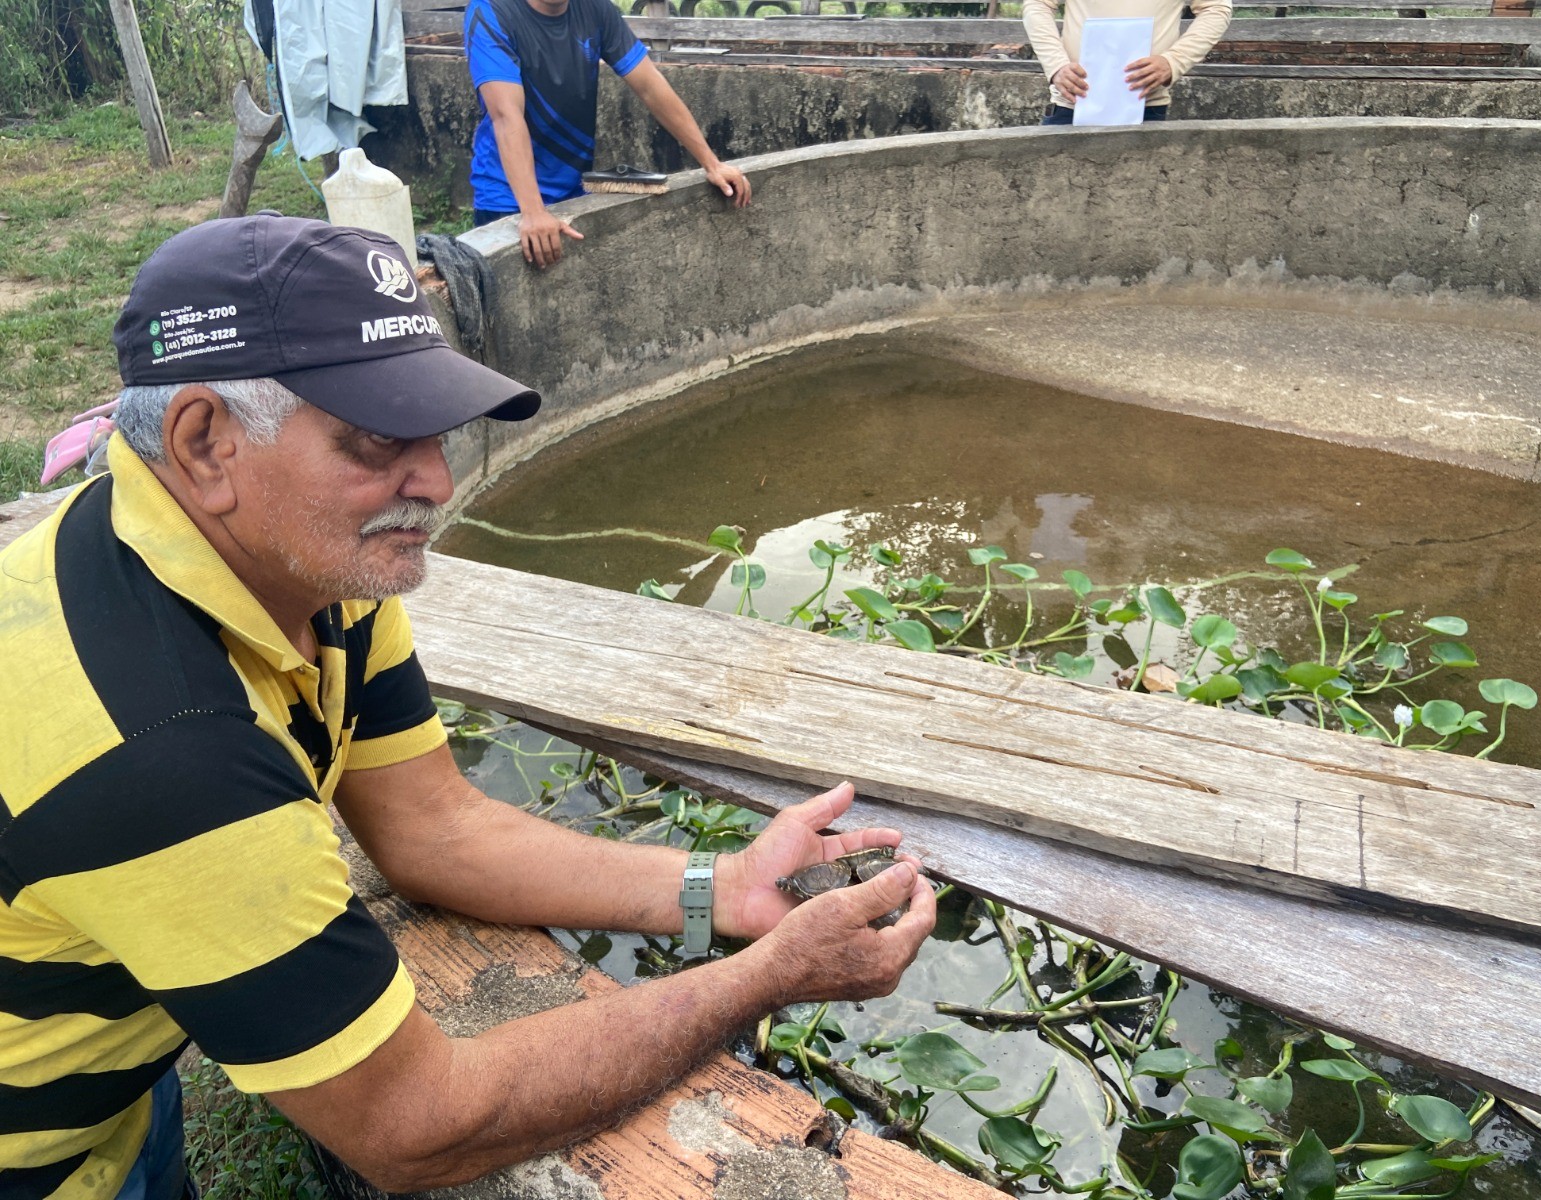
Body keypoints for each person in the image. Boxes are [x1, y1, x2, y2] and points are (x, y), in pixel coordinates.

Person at [0, 214, 935, 1200]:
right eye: (375, 439)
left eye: (434, 431)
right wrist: (768, 974)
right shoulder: (158, 747)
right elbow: (413, 1124)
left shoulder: (304, 576)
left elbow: (434, 828)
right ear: (204, 444)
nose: (436, 483)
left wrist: (726, 887)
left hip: (111, 1073)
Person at [465, 0, 751, 268]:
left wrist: (711, 163)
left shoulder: (595, 9)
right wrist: (533, 211)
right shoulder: (492, 12)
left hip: (573, 191)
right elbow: (506, 116)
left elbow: (650, 87)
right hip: (510, 199)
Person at [1021, 0, 1232, 124]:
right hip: (1072, 103)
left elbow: (1216, 8)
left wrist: (1174, 61)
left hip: (1146, 106)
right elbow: (1037, 4)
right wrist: (1056, 65)